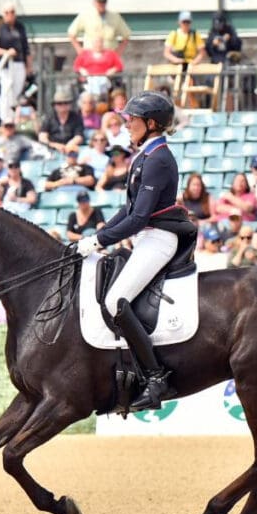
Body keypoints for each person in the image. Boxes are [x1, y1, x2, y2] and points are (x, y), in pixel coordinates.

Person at [75, 92, 193, 410]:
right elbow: (127, 211)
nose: (126, 124)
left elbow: (139, 217)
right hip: (144, 237)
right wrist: (96, 237)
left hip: (158, 238)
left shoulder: (158, 159)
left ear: (151, 124)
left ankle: (156, 377)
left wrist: (100, 241)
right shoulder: (143, 156)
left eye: (132, 120)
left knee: (116, 301)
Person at [0, 2, 32, 125]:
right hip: (6, 64)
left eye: (12, 12)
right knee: (7, 89)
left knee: (18, 90)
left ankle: (16, 117)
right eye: (7, 12)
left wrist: (29, 65)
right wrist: (7, 52)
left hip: (19, 62)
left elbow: (26, 47)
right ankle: (5, 118)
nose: (10, 15)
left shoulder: (20, 27)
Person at [67, 0, 131, 58]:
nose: (101, 5)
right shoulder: (85, 15)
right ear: (94, 2)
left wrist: (118, 52)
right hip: (90, 56)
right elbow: (71, 33)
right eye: (99, 2)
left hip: (109, 56)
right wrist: (80, 50)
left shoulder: (115, 16)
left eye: (103, 2)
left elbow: (126, 35)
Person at [38, 89, 85, 154]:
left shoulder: (76, 117)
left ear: (70, 104)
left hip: (71, 149)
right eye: (59, 103)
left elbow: (79, 136)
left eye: (65, 103)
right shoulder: (49, 118)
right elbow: (42, 137)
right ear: (54, 105)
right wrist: (54, 145)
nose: (62, 106)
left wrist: (68, 146)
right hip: (52, 150)